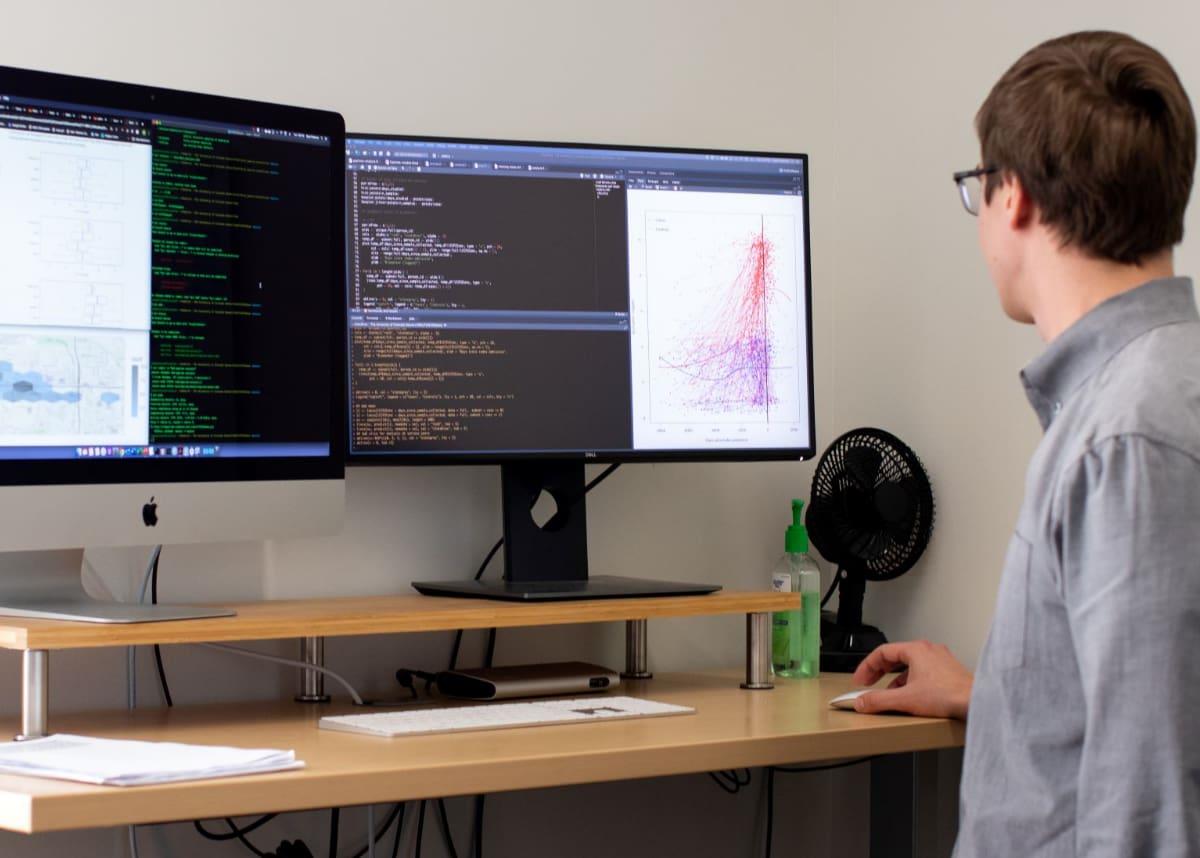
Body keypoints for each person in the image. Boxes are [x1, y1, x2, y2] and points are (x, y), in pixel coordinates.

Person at [851, 31, 1200, 856]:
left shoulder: (1125, 435)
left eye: (979, 186)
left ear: (1015, 200)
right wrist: (999, 696)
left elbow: (1151, 793)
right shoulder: (1154, 389)